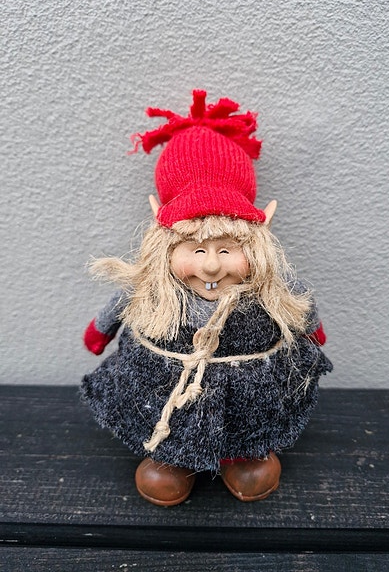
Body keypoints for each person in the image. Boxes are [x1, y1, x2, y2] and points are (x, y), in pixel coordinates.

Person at [82, 90, 332, 506]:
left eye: (227, 249)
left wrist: (312, 330)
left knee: (248, 416)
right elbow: (123, 299)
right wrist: (100, 331)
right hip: (166, 379)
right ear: (164, 240)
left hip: (247, 383)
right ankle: (172, 455)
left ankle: (243, 455)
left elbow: (297, 297)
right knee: (164, 409)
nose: (212, 266)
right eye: (196, 249)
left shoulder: (268, 281)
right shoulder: (155, 285)